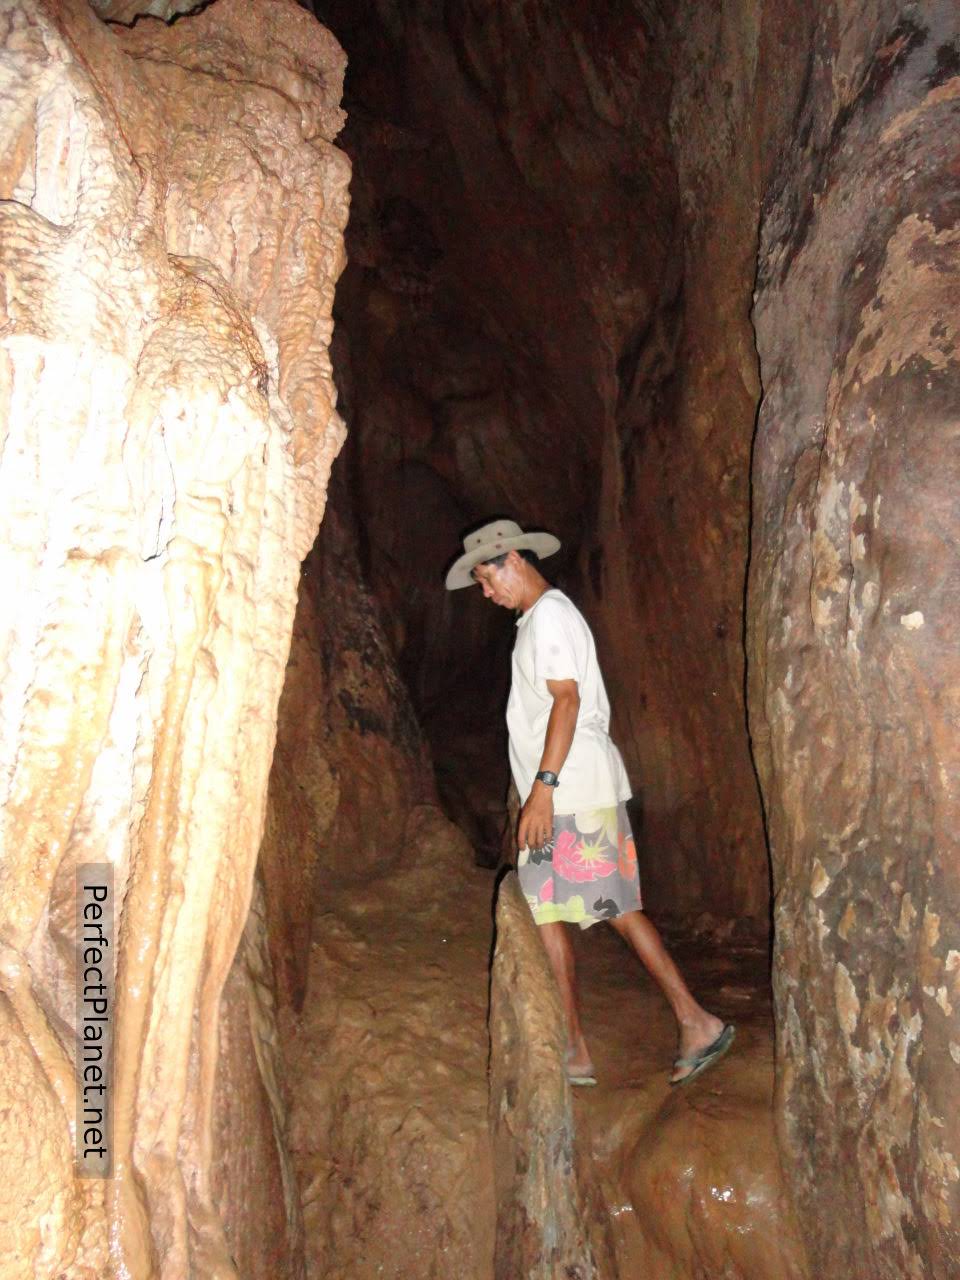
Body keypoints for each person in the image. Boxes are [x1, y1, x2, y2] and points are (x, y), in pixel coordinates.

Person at [445, 518, 734, 1086]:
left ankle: (695, 1021)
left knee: (615, 908)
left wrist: (543, 791)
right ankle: (574, 1045)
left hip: (571, 790)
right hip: (566, 790)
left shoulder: (549, 616)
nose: (486, 592)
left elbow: (567, 701)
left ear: (515, 561)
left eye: (487, 578)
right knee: (549, 911)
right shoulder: (538, 620)